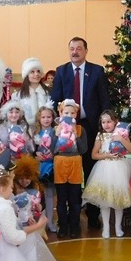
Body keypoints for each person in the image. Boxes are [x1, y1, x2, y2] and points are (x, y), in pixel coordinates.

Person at [51, 37, 112, 230]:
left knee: (91, 169)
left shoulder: (97, 71)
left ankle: (93, 215)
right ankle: (70, 219)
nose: (75, 52)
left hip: (90, 127)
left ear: (86, 51)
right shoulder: (61, 71)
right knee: (70, 176)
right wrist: (57, 127)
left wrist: (105, 128)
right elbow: (55, 100)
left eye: (79, 48)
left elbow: (105, 100)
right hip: (66, 133)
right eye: (72, 48)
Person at [82, 110, 131, 238]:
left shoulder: (122, 133)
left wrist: (121, 139)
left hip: (120, 168)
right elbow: (94, 154)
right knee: (104, 200)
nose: (106, 125)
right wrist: (107, 155)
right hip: (104, 168)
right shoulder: (101, 135)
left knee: (118, 199)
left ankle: (118, 227)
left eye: (109, 122)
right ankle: (106, 227)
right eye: (103, 122)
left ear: (115, 121)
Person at [53, 99, 88, 238]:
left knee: (75, 199)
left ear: (76, 114)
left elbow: (83, 149)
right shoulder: (56, 129)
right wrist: (56, 135)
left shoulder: (80, 129)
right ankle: (62, 225)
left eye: (72, 113)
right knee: (61, 199)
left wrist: (76, 135)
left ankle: (74, 226)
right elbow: (52, 149)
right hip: (60, 164)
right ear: (60, 113)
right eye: (66, 113)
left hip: (75, 164)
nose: (69, 115)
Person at [33, 106, 58, 233]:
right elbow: (31, 149)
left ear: (53, 118)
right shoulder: (35, 132)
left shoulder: (55, 131)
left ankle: (50, 221)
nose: (46, 119)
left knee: (49, 194)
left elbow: (59, 146)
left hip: (51, 167)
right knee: (37, 195)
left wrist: (53, 154)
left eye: (49, 117)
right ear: (39, 118)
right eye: (43, 117)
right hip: (38, 167)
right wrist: (35, 154)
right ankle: (37, 222)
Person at [12, 57, 52, 126]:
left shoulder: (48, 92)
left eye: (38, 71)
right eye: (32, 72)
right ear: (26, 75)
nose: (36, 74)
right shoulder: (18, 95)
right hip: (25, 129)